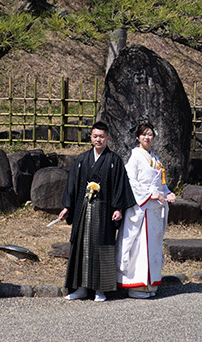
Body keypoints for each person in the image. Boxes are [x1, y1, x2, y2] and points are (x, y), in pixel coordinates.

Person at [58, 121, 134, 302]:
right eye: (95, 136)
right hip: (83, 210)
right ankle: (81, 288)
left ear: (108, 138)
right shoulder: (82, 160)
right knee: (81, 246)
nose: (98, 139)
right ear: (90, 138)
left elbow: (120, 186)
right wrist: (67, 206)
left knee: (103, 247)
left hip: (104, 211)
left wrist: (118, 208)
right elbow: (72, 185)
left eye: (102, 136)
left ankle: (101, 289)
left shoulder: (114, 161)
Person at [116, 121, 176, 299]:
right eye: (144, 134)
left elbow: (161, 184)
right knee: (138, 246)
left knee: (153, 246)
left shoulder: (156, 159)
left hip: (154, 210)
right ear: (138, 137)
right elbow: (130, 181)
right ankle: (136, 285)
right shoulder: (135, 157)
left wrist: (168, 193)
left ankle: (150, 284)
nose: (147, 137)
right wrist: (150, 196)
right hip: (141, 209)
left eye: (150, 134)